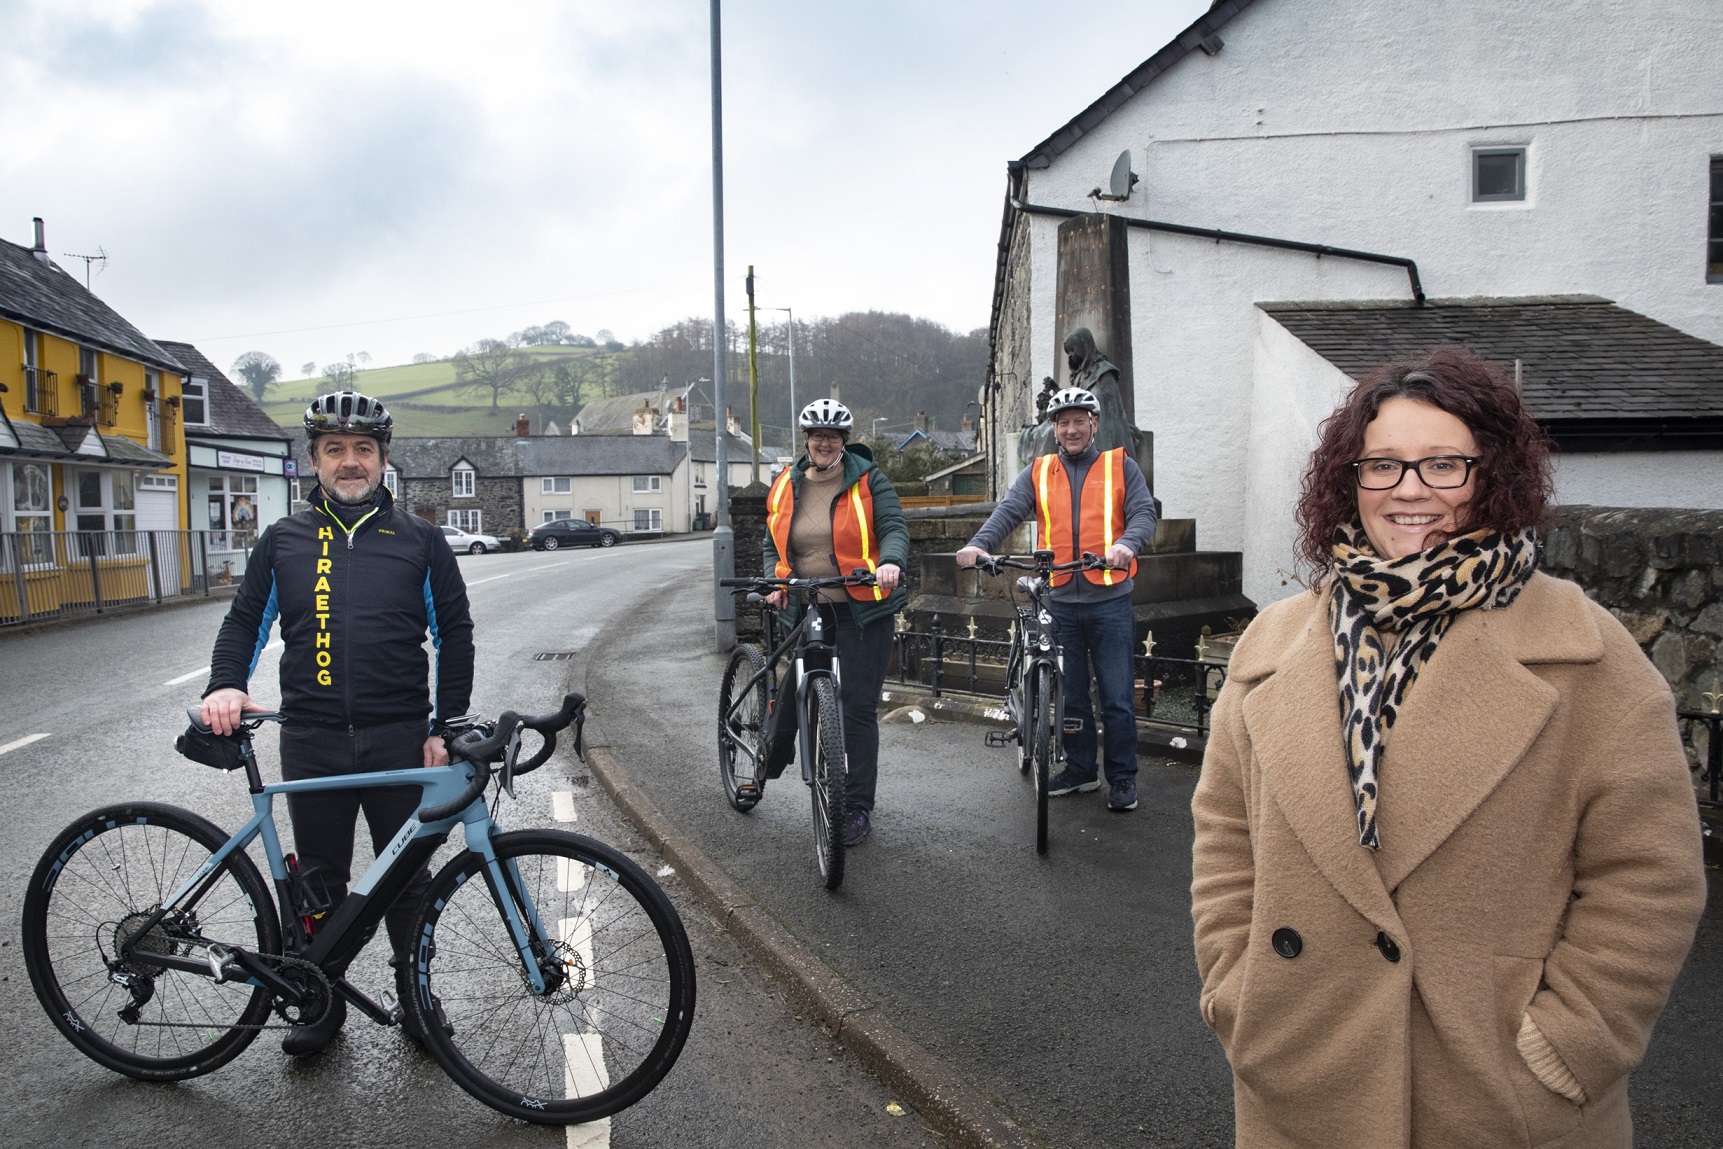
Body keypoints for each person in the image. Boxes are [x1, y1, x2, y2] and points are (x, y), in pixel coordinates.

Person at [1189, 348, 1706, 1148]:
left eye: (1442, 464)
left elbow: (1650, 876)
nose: (1408, 490)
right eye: (1383, 465)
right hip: (1299, 1075)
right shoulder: (1272, 646)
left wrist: (1571, 1040)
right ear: (1347, 478)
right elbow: (1225, 840)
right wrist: (1236, 993)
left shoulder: (1587, 655)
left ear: (1492, 475)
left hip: (1497, 1098)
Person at [201, 390, 476, 1057]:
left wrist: (446, 724)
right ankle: (318, 999)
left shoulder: (421, 540)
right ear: (314, 461)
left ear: (383, 459)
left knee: (407, 881)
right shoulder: (283, 541)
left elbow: (455, 633)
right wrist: (226, 684)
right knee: (319, 877)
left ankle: (416, 997)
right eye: (334, 450)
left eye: (361, 449)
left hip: (399, 739)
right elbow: (246, 621)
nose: (348, 462)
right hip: (314, 737)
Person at [958, 386, 1157, 812]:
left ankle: (1122, 778)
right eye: (1063, 423)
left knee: (1117, 694)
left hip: (1109, 598)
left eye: (1078, 421)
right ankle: (1082, 771)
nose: (1071, 429)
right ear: (1054, 428)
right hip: (1060, 597)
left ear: (1094, 424)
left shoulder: (1120, 466)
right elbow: (1008, 512)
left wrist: (1128, 543)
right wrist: (978, 544)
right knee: (1071, 695)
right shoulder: (1039, 470)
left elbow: (1144, 513)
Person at [761, 398, 908, 847]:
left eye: (833, 436)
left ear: (845, 441)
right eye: (817, 435)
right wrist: (776, 580)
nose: (824, 443)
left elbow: (894, 529)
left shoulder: (868, 479)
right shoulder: (786, 483)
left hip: (863, 605)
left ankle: (858, 807)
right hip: (809, 604)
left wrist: (891, 562)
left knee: (858, 707)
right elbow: (772, 542)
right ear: (806, 438)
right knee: (798, 684)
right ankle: (772, 755)